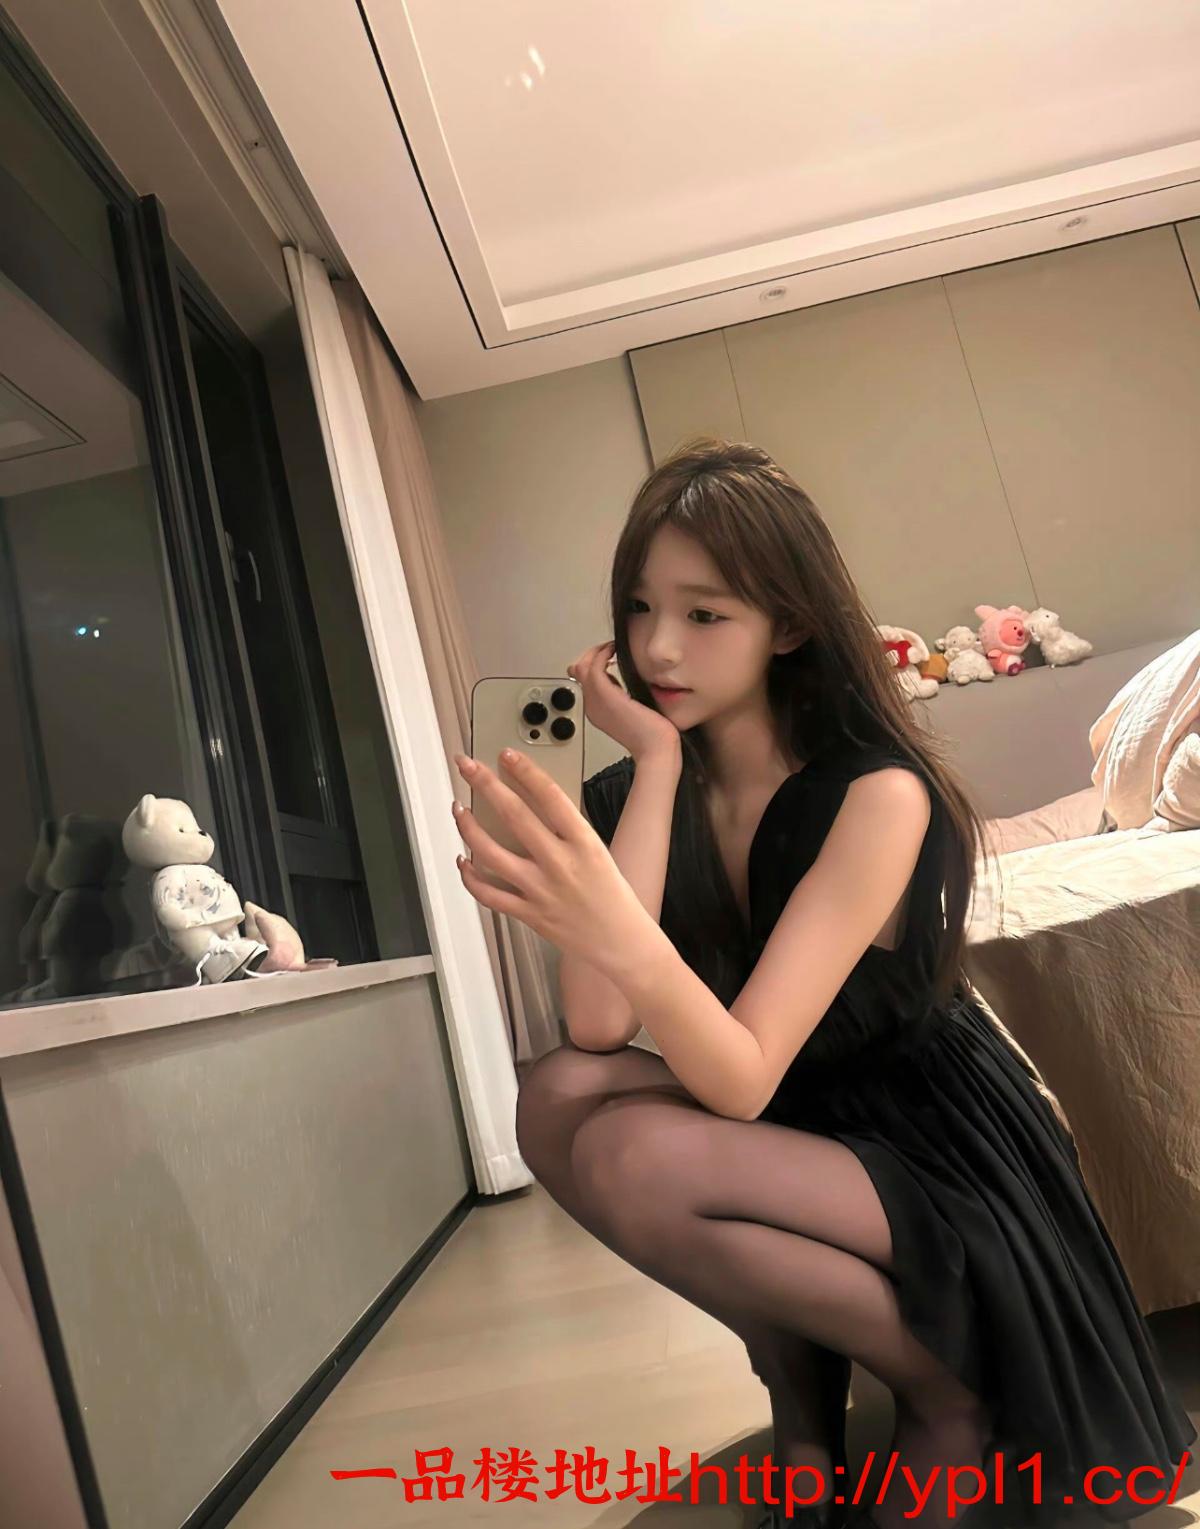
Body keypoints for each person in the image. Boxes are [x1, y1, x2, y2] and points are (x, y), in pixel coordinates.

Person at [505, 439, 1195, 1529]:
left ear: (787, 625)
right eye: (638, 608)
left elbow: (739, 1077)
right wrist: (654, 772)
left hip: (924, 1142)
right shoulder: (643, 783)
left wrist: (608, 908)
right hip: (789, 1120)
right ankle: (798, 1376)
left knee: (636, 1154)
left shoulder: (875, 793)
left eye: (704, 613)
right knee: (555, 1097)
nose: (657, 646)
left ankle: (943, 1386)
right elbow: (596, 1023)